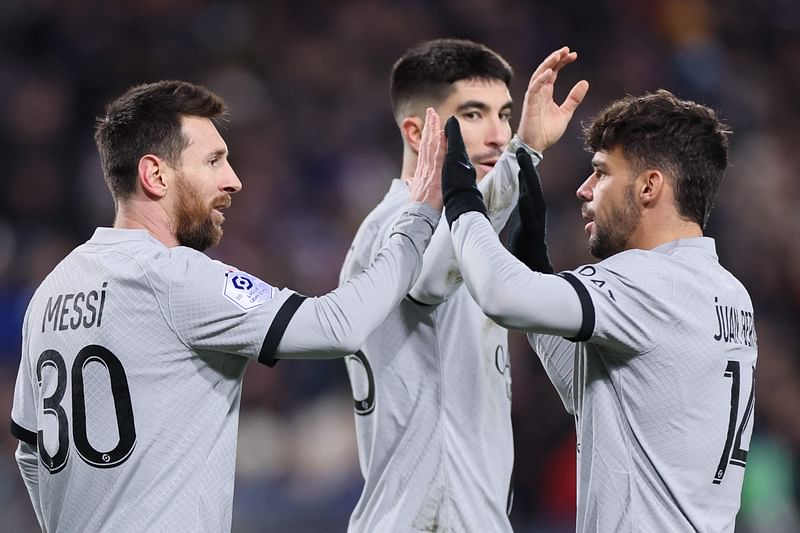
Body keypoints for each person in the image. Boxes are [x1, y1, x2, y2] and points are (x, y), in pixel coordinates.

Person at [9, 80, 446, 533]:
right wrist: (417, 222)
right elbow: (336, 326)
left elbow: (29, 451)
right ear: (155, 175)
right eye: (213, 161)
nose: (232, 180)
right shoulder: (173, 276)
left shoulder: (51, 291)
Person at [443, 89, 757, 531]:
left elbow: (500, 297)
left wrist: (461, 200)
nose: (584, 189)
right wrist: (536, 268)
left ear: (650, 186)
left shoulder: (651, 282)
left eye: (601, 173)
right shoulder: (726, 291)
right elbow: (590, 389)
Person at [339, 39, 587, 532]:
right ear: (416, 132)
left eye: (505, 115)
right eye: (473, 115)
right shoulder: (398, 228)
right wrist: (526, 153)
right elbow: (432, 275)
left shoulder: (469, 240)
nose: (499, 135)